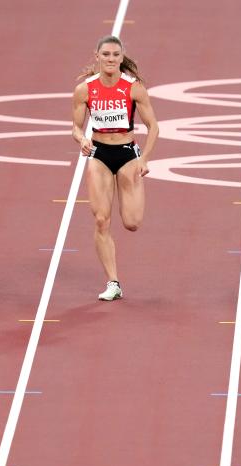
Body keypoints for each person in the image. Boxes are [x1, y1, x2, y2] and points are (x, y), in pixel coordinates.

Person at [72, 36, 159, 301]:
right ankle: (113, 282)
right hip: (99, 154)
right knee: (101, 219)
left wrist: (143, 159)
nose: (110, 59)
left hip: (127, 154)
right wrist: (82, 139)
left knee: (132, 223)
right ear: (97, 56)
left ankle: (131, 186)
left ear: (122, 58)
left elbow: (154, 126)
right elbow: (76, 126)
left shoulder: (133, 88)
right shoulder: (84, 90)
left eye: (115, 55)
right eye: (106, 54)